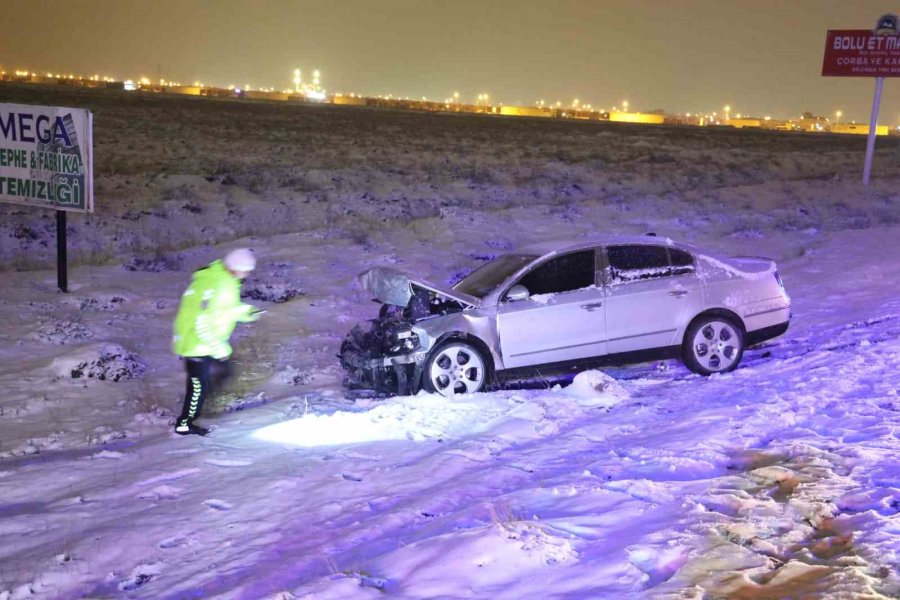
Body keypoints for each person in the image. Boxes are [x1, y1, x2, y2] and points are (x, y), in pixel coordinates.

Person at [172, 248, 262, 435]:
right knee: (198, 387)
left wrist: (247, 312)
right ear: (235, 267)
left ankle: (204, 402)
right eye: (245, 269)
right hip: (196, 345)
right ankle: (184, 424)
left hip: (208, 344)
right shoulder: (213, 283)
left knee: (224, 372)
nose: (247, 274)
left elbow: (227, 309)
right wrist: (218, 347)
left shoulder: (227, 281)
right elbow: (200, 321)